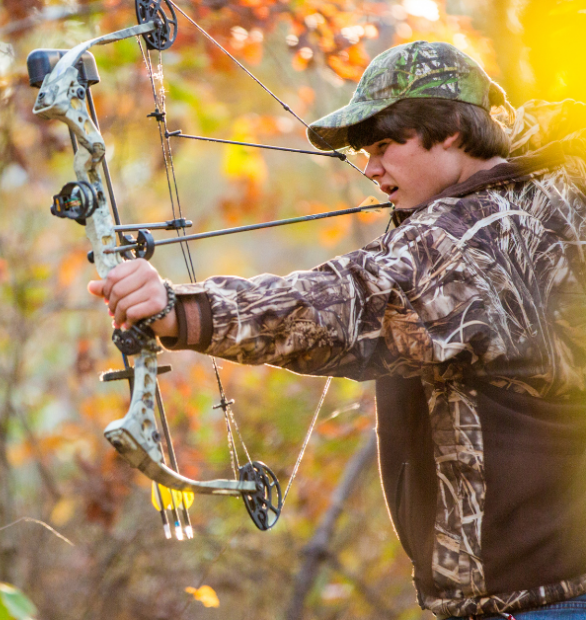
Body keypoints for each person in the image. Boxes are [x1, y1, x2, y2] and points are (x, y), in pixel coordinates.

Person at [87, 41, 586, 619]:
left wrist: (181, 309)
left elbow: (347, 306)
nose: (370, 169)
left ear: (450, 130)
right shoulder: (545, 192)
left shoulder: (475, 238)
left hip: (535, 602)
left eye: (383, 146)